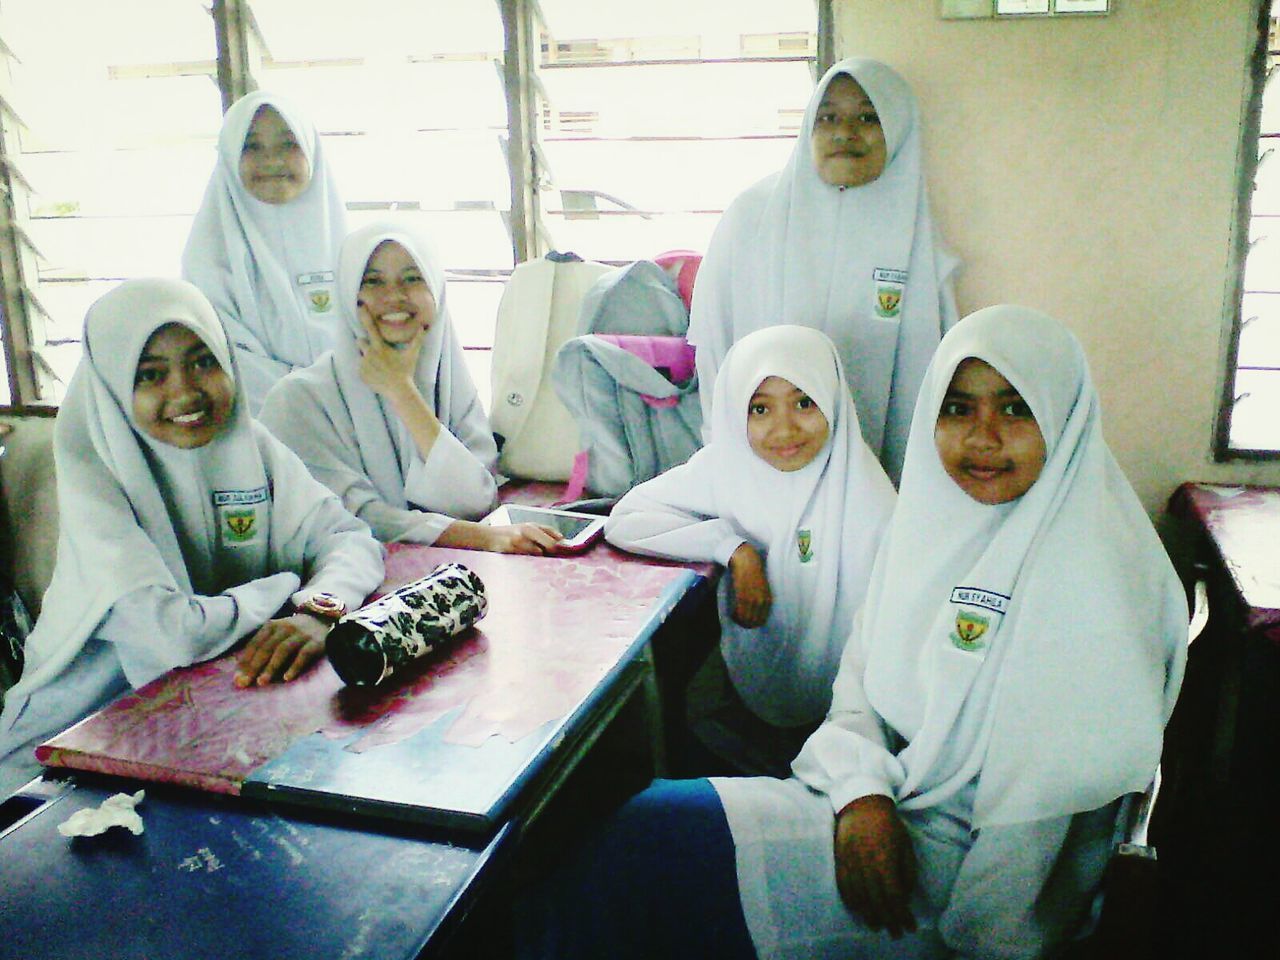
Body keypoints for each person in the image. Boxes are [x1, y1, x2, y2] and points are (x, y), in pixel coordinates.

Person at [524, 306, 1188, 960]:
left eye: (1015, 409)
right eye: (959, 408)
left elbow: (1040, 829)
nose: (984, 437)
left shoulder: (1094, 575)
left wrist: (978, 940)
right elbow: (859, 687)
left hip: (953, 885)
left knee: (639, 867)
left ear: (1064, 418)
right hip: (880, 809)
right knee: (632, 832)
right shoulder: (931, 532)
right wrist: (861, 793)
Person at [0, 278, 384, 797]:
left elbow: (349, 538)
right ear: (113, 387)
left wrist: (319, 611)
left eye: (203, 362)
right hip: (59, 762)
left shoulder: (251, 445)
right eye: (150, 375)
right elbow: (173, 637)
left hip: (202, 725)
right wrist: (285, 588)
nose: (184, 392)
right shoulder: (94, 473)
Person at [605, 325, 895, 777]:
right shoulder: (729, 465)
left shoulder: (868, 494)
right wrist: (734, 549)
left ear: (833, 400)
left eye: (804, 402)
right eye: (760, 408)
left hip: (850, 710)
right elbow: (626, 519)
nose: (784, 429)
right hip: (748, 686)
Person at [688, 57, 960, 484]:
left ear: (898, 127)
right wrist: (722, 446)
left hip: (873, 475)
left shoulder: (915, 235)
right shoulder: (753, 217)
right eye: (828, 116)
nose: (844, 133)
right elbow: (713, 339)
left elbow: (930, 373)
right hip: (760, 461)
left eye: (868, 118)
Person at [260, 220, 561, 554]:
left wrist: (402, 393)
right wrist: (481, 538)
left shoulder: (450, 386)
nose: (394, 297)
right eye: (373, 281)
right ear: (347, 295)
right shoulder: (297, 402)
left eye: (412, 279)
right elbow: (354, 518)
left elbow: (474, 500)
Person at [182, 91, 348, 414]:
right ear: (229, 157)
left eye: (289, 144)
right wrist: (315, 401)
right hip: (259, 431)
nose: (272, 160)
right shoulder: (208, 260)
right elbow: (225, 359)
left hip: (354, 427)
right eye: (252, 146)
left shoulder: (347, 246)